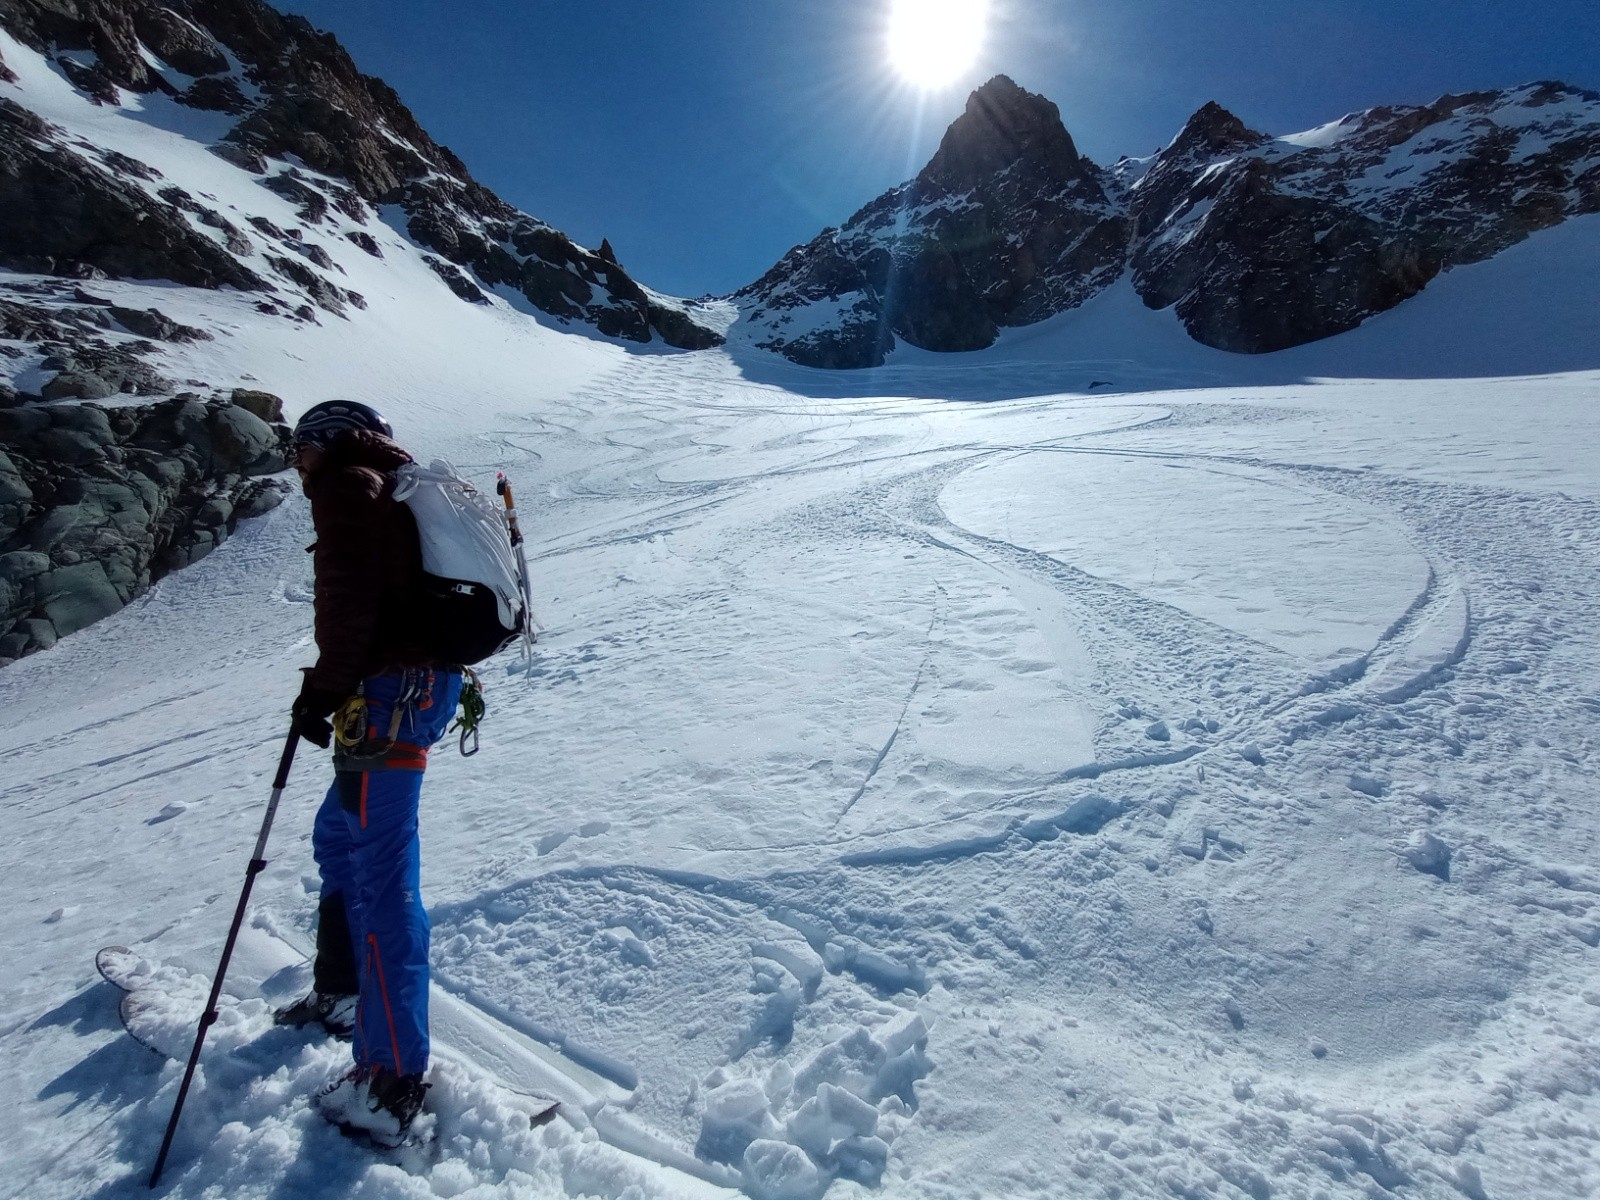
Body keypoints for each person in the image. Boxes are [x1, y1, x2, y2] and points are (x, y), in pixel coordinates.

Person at [276, 399, 464, 1143]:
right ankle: (344, 990)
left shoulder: (349, 483)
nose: (296, 466)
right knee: (341, 835)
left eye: (298, 450)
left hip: (389, 694)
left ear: (321, 442)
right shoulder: (394, 483)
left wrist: (324, 687)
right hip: (409, 690)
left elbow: (348, 603)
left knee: (383, 867)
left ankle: (388, 1080)